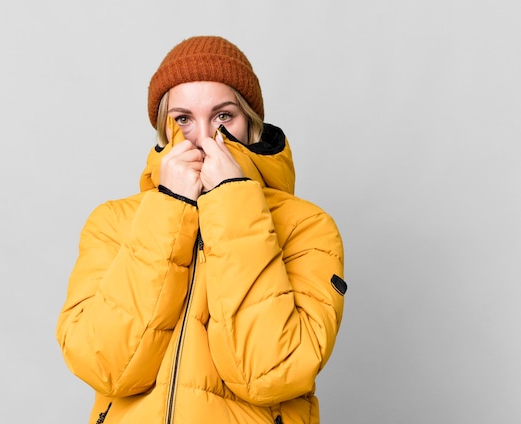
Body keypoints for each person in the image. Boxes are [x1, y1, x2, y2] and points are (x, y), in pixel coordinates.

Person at [56, 35, 347, 424]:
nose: (205, 137)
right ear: (164, 129)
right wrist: (170, 209)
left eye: (224, 116)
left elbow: (273, 371)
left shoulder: (307, 227)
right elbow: (105, 365)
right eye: (183, 119)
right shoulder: (113, 222)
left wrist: (232, 201)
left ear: (250, 123)